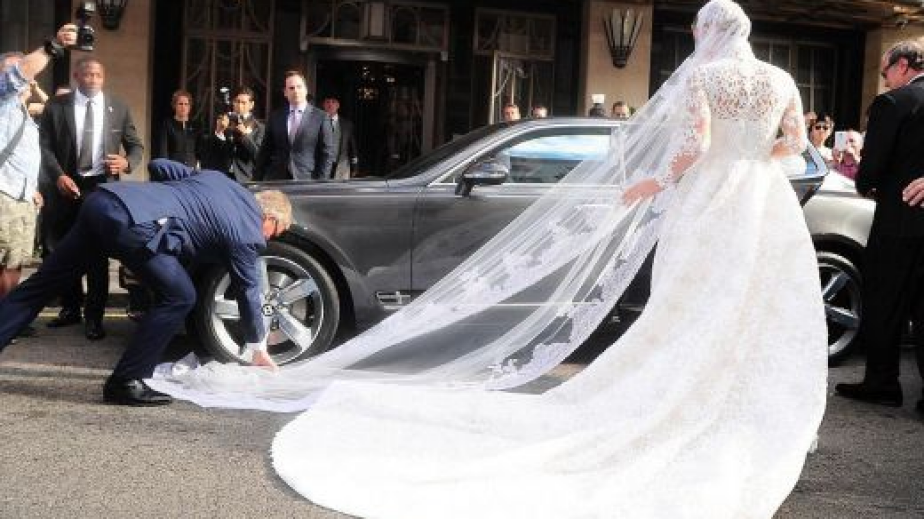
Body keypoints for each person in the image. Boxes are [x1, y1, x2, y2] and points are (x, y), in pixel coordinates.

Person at [152, 1, 825, 516]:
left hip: (704, 202)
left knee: (689, 303)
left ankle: (688, 399)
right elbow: (794, 145)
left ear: (709, 31)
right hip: (761, 205)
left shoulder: (707, 77)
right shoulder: (781, 79)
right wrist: (748, 164)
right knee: (746, 303)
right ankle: (730, 405)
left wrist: (655, 182)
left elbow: (692, 147)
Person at [0, 159, 292, 405]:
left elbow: (159, 165)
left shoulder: (219, 180)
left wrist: (165, 199)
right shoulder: (248, 232)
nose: (269, 239)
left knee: (40, 286)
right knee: (181, 296)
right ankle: (125, 382)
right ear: (270, 218)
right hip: (135, 225)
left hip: (103, 202)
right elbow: (248, 290)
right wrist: (258, 348)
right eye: (276, 232)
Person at [836, 39, 924, 415]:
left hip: (899, 221)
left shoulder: (894, 103)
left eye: (886, 70)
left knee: (884, 302)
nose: (885, 79)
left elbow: (871, 167)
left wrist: (865, 183)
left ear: (902, 65)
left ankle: (883, 383)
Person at [39, 56, 144, 341]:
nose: (93, 80)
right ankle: (70, 308)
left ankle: (94, 318)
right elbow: (44, 147)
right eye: (87, 74)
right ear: (76, 76)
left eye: (98, 75)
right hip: (65, 186)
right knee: (64, 250)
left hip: (100, 188)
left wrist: (126, 163)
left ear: (103, 77)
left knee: (97, 255)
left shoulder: (118, 107)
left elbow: (135, 147)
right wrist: (58, 176)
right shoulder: (56, 106)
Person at [0, 25, 78, 342]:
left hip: (21, 196)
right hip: (3, 195)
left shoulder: (22, 112)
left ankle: (7, 319)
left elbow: (24, 157)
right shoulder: (3, 100)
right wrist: (52, 46)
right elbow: (18, 75)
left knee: (15, 262)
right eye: (15, 70)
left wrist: (32, 187)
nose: (24, 76)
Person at [255, 70, 334, 181]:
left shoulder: (320, 117)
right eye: (291, 88)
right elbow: (265, 150)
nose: (295, 91)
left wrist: (321, 182)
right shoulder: (276, 117)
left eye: (299, 87)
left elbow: (327, 154)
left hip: (307, 179)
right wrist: (256, 179)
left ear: (306, 90)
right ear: (285, 92)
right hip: (277, 178)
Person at [225, 86, 265, 183]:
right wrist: (219, 132)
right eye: (237, 101)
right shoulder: (226, 122)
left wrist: (245, 136)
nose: (239, 105)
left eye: (244, 103)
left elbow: (259, 155)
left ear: (251, 105)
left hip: (245, 177)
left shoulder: (259, 127)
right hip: (223, 175)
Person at [156, 89, 199, 167]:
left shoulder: (195, 125)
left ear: (189, 107)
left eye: (186, 104)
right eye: (180, 104)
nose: (183, 107)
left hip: (191, 169)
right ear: (174, 105)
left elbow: (199, 150)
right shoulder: (167, 124)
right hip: (174, 168)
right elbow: (163, 151)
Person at [321, 95, 359, 179]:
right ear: (323, 105)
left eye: (333, 102)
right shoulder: (317, 123)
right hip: (321, 165)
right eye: (327, 102)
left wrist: (355, 165)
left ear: (338, 105)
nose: (330, 105)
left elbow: (352, 147)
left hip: (342, 165)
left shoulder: (347, 124)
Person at [196, 110, 234, 175]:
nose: (222, 121)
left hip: (223, 173)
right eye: (220, 118)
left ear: (228, 122)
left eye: (225, 119)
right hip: (207, 171)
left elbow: (230, 155)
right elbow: (199, 153)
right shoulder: (205, 136)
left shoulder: (230, 138)